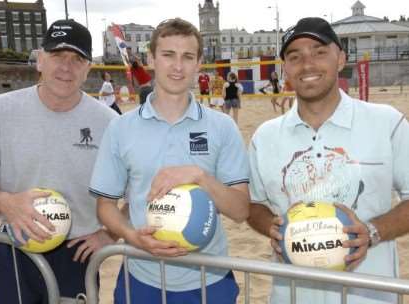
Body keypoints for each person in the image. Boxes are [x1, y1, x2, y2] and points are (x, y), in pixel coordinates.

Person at [247, 17, 409, 304]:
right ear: (285, 68)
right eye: (295, 57)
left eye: (319, 52)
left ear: (341, 58)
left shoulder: (387, 122)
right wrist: (268, 226)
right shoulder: (264, 137)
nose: (307, 64)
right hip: (292, 296)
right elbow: (253, 205)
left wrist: (373, 231)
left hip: (370, 296)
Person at [90, 18, 250, 304]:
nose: (178, 66)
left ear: (199, 62)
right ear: (151, 58)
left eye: (187, 57)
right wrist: (132, 236)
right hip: (141, 276)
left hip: (209, 278)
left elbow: (239, 211)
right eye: (168, 55)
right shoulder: (121, 128)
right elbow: (105, 206)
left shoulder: (222, 127)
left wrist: (199, 176)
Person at [0, 19, 118, 303]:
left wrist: (111, 235)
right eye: (57, 55)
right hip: (14, 246)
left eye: (77, 59)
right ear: (40, 60)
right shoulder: (1, 110)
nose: (66, 67)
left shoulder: (111, 124)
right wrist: (6, 202)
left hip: (77, 251)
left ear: (87, 69)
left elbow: (139, 193)